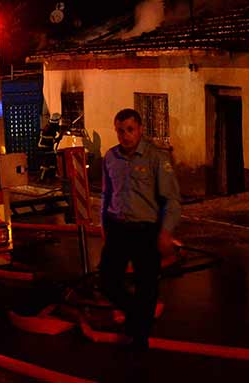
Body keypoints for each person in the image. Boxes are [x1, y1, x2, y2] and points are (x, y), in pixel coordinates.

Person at [99, 108, 181, 349]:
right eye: (120, 131)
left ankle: (140, 340)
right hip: (118, 228)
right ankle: (137, 317)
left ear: (140, 129)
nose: (124, 136)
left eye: (130, 130)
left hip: (145, 231)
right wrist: (103, 224)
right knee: (108, 281)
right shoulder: (110, 157)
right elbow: (106, 194)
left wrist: (166, 231)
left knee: (146, 285)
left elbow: (172, 199)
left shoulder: (156, 158)